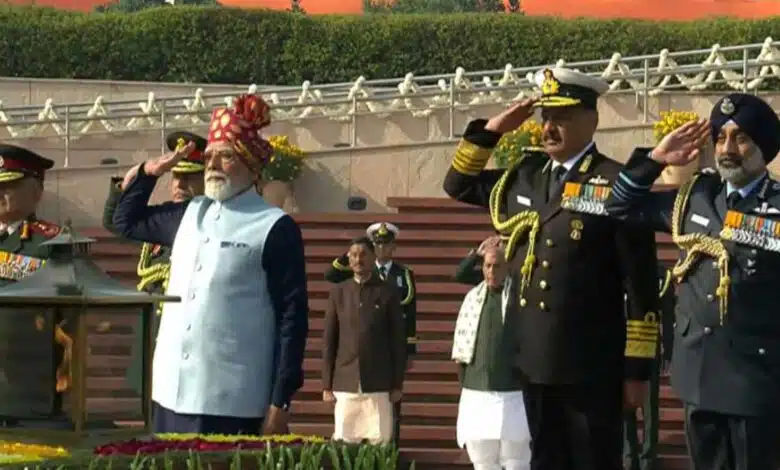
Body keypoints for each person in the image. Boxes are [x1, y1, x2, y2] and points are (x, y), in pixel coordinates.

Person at [442, 67, 661, 470]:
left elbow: (642, 285)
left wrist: (637, 371)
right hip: (533, 361)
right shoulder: (524, 177)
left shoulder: (615, 182)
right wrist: (492, 130)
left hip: (590, 365)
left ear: (591, 121)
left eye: (562, 117)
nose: (549, 127)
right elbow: (457, 184)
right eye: (546, 117)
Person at [598, 93, 780, 470]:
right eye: (720, 138)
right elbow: (619, 206)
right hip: (699, 373)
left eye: (741, 138)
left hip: (757, 380)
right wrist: (655, 160)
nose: (727, 149)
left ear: (764, 147)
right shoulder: (696, 195)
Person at [111, 93, 309, 435]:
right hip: (169, 393)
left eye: (226, 156)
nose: (213, 164)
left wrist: (280, 401)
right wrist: (149, 172)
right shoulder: (189, 213)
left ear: (251, 165)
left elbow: (292, 319)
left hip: (232, 399)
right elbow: (124, 221)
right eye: (210, 156)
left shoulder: (274, 226)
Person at [102, 131, 206, 397]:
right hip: (155, 325)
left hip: (188, 328)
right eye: (176, 176)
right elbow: (116, 222)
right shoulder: (166, 215)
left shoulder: (201, 216)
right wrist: (140, 174)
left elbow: (122, 223)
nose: (180, 184)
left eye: (189, 176)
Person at [324, 221, 417, 445]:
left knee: (380, 441)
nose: (358, 260)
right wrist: (327, 384)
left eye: (364, 254)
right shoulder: (340, 291)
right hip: (346, 379)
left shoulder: (391, 289)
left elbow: (398, 337)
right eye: (354, 255)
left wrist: (397, 383)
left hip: (379, 379)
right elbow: (330, 339)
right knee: (345, 443)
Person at [0, 145, 65, 422]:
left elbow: (68, 315)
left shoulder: (52, 242)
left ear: (36, 193)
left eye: (9, 186)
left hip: (27, 374)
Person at [452, 245, 531, 470]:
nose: (491, 272)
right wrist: (476, 254)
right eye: (487, 266)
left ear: (508, 268)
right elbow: (460, 274)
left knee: (515, 460)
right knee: (483, 460)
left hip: (513, 389)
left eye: (497, 266)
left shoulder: (519, 294)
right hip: (477, 389)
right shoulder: (474, 297)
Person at [622, 264, 676, 470]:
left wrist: (668, 350)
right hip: (625, 341)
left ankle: (647, 455)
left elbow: (669, 314)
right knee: (627, 402)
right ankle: (630, 454)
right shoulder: (623, 269)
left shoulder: (663, 274)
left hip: (648, 342)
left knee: (650, 404)